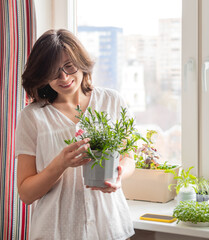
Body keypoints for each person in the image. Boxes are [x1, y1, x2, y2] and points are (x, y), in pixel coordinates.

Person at [15, 29, 136, 240]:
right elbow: (26, 193)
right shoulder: (32, 117)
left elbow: (128, 157)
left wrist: (118, 174)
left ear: (81, 62)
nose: (63, 77)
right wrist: (60, 163)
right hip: (56, 230)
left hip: (108, 226)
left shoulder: (111, 101)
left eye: (69, 66)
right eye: (52, 71)